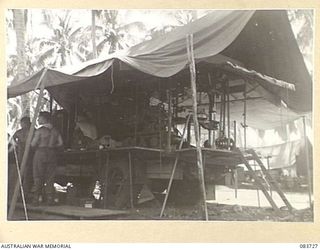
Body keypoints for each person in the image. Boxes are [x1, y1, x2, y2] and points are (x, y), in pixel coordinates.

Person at [31, 111, 63, 206]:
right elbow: (60, 143)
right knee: (50, 177)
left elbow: (33, 144)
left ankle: (36, 199)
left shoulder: (40, 130)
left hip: (40, 152)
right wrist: (52, 145)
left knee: (37, 176)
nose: (38, 119)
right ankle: (50, 199)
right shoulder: (55, 130)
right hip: (52, 153)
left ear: (44, 118)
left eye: (39, 117)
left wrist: (38, 144)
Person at [12, 117, 33, 201]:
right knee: (22, 175)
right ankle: (21, 194)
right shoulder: (19, 132)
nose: (22, 125)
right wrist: (17, 144)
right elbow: (12, 139)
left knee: (26, 176)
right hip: (21, 154)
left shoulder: (32, 131)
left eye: (23, 123)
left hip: (29, 155)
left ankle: (24, 194)